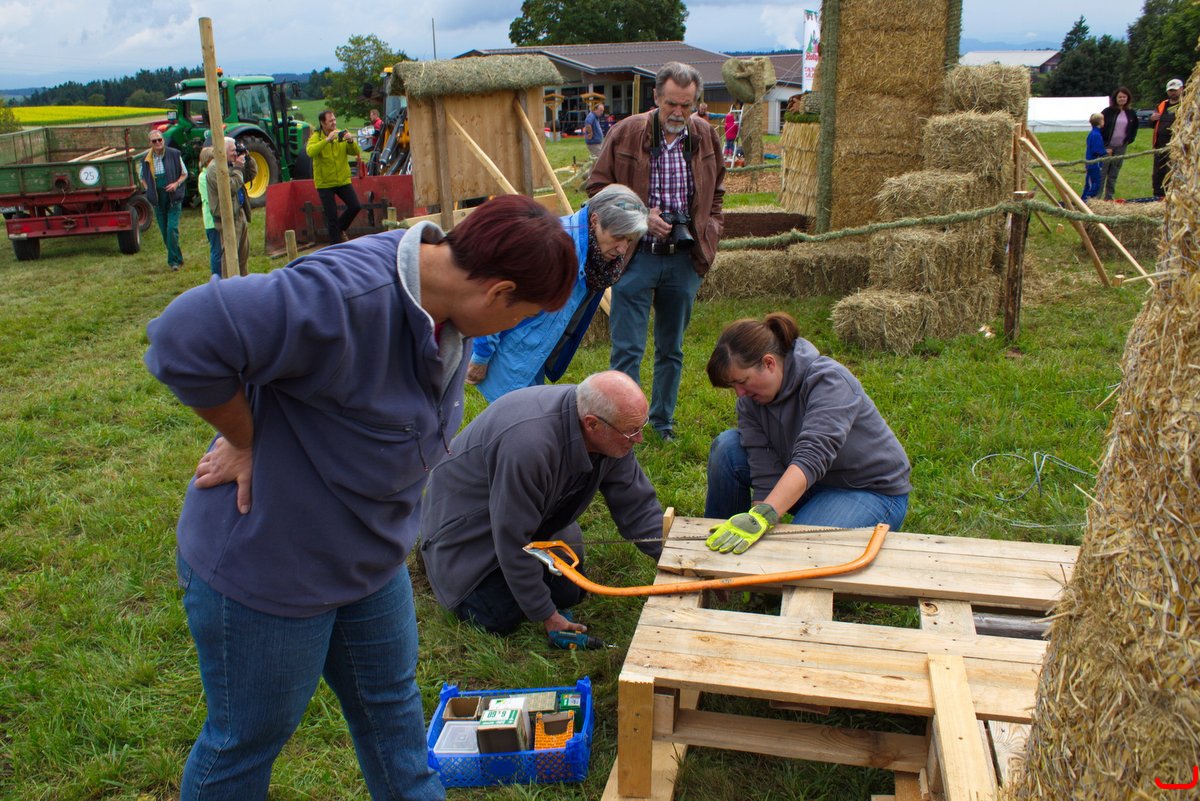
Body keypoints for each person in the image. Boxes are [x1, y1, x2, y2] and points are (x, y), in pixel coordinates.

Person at [142, 194, 577, 800]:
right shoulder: (343, 296)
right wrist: (244, 437)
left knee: (393, 718)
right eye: (522, 316)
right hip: (273, 564)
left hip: (368, 558)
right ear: (498, 292)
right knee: (247, 740)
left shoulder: (443, 307)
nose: (514, 330)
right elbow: (183, 335)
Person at [420, 371, 663, 638]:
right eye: (632, 432)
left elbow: (636, 505)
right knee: (497, 616)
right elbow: (512, 538)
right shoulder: (529, 446)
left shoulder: (609, 424)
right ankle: (436, 563)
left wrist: (673, 556)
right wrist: (547, 615)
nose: (639, 439)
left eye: (640, 427)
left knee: (569, 593)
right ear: (592, 424)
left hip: (526, 515)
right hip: (468, 528)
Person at [587, 61, 726, 442]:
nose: (678, 113)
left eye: (686, 105)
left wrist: (709, 234)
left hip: (684, 260)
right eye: (671, 104)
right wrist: (639, 215)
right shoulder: (626, 133)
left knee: (671, 349)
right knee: (627, 349)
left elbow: (717, 193)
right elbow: (597, 189)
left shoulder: (706, 136)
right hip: (635, 256)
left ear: (696, 102)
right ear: (656, 97)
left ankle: (662, 423)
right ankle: (624, 426)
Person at [703, 312, 910, 554]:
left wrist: (766, 515)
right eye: (733, 386)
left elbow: (812, 456)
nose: (739, 393)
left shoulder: (829, 380)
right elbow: (763, 463)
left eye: (742, 381)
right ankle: (715, 554)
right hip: (811, 483)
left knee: (796, 552)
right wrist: (758, 521)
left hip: (867, 489)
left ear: (769, 363)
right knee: (728, 448)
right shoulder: (751, 402)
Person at [465, 184, 648, 400]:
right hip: (510, 356)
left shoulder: (596, 257)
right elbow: (498, 297)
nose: (622, 249)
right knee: (518, 419)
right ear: (595, 220)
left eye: (629, 240)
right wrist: (481, 355)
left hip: (534, 357)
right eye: (618, 236)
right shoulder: (551, 245)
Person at [307, 109, 362, 244]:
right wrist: (327, 140)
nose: (334, 123)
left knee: (355, 206)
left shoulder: (341, 134)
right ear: (322, 123)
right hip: (325, 183)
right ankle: (335, 247)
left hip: (342, 180)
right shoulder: (316, 137)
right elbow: (310, 152)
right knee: (331, 216)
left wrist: (350, 141)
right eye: (330, 121)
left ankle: (339, 230)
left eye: (334, 120)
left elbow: (355, 151)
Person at [206, 137, 255, 275]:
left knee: (243, 258)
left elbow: (250, 175)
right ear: (223, 151)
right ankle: (229, 284)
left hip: (239, 214)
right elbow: (230, 187)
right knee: (230, 259)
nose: (235, 153)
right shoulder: (215, 168)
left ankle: (242, 284)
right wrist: (238, 168)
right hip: (227, 219)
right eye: (233, 150)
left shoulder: (229, 164)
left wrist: (248, 158)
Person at [140, 130, 188, 271]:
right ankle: (178, 258)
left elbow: (184, 174)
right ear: (150, 143)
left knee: (171, 228)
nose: (157, 143)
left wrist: (176, 184)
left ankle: (173, 262)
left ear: (163, 140)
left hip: (173, 198)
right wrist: (149, 189)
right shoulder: (145, 159)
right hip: (158, 200)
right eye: (154, 141)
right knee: (165, 232)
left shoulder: (174, 154)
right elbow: (142, 177)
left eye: (159, 139)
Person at [1099, 86, 1138, 201]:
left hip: (1121, 147)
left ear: (1128, 98)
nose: (1122, 99)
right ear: (1115, 98)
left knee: (1114, 172)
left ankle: (1109, 197)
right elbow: (1099, 126)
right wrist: (1102, 144)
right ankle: (1097, 197)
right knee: (1102, 172)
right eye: (1120, 97)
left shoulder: (1131, 113)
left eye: (1124, 97)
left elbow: (1134, 127)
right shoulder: (1107, 112)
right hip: (1107, 146)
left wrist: (1129, 139)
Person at [1151, 78, 1184, 198]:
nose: (1172, 92)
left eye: (1175, 90)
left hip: (1176, 145)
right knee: (1158, 173)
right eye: (1170, 90)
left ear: (1181, 89)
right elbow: (1153, 124)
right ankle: (1158, 197)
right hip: (1160, 145)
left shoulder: (1186, 104)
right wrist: (1152, 119)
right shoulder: (1162, 105)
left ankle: (1173, 196)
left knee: (1173, 172)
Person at [196, 147, 221, 277]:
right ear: (207, 160)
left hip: (217, 218)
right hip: (212, 221)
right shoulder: (203, 177)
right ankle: (216, 276)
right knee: (217, 250)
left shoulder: (213, 174)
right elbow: (211, 196)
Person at [1080, 113, 1105, 202]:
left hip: (1092, 163)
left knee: (1090, 183)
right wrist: (1106, 152)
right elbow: (1096, 150)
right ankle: (1086, 200)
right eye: (1103, 120)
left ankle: (1083, 200)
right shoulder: (1096, 135)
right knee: (1094, 184)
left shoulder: (1093, 133)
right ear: (1100, 122)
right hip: (1094, 163)